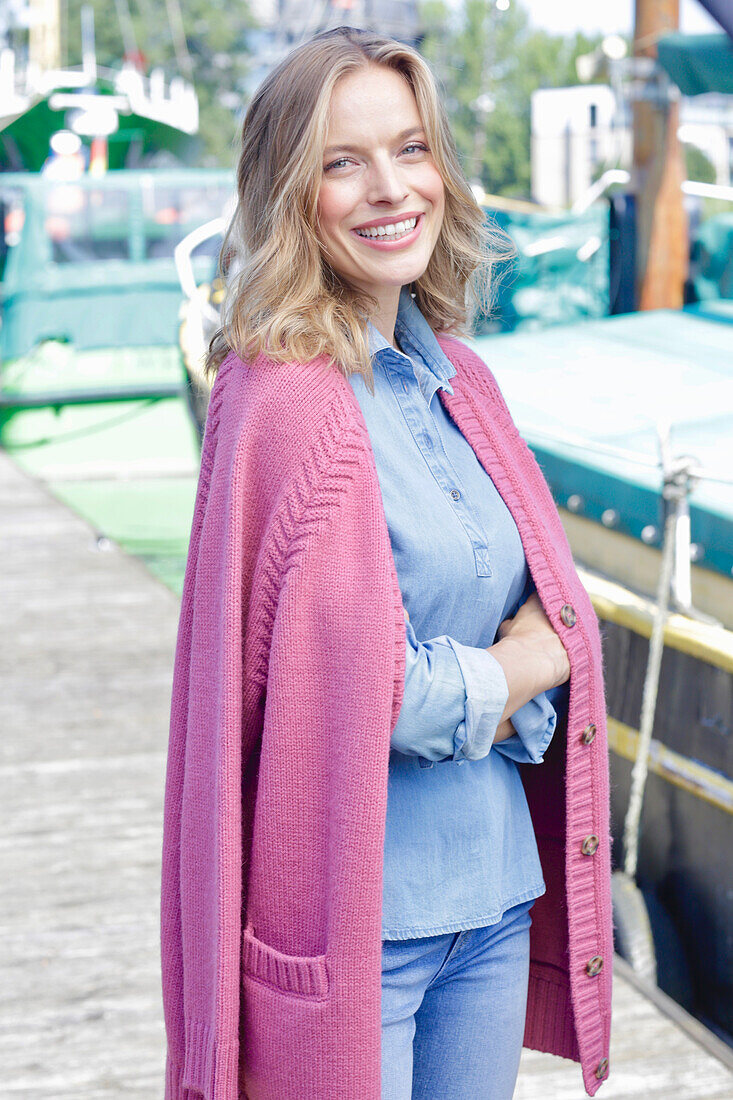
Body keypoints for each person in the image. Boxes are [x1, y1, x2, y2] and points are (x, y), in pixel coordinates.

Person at [160, 26, 613, 1100]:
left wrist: (517, 668)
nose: (388, 188)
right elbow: (362, 687)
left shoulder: (464, 382)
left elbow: (547, 615)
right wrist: (516, 673)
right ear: (290, 192)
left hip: (494, 897)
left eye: (409, 149)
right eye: (340, 160)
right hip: (356, 931)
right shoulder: (279, 402)